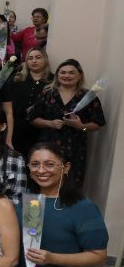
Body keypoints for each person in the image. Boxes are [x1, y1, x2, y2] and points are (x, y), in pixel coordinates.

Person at [27, 59, 105, 188]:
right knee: (42, 180)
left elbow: (98, 124)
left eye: (71, 73)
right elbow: (32, 119)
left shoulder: (88, 96)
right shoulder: (47, 93)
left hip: (75, 148)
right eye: (62, 72)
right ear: (57, 75)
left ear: (79, 75)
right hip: (47, 147)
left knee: (70, 184)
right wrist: (49, 123)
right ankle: (36, 208)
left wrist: (81, 127)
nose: (66, 76)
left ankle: (65, 208)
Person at [10, 47, 52, 156]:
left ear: (45, 60)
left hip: (43, 130)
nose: (34, 61)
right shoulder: (17, 78)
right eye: (30, 58)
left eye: (38, 57)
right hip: (18, 129)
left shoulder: (53, 81)